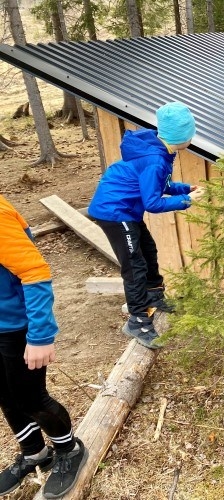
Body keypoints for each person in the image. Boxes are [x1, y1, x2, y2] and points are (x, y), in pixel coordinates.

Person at [88, 102, 205, 349]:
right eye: (191, 133)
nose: (192, 137)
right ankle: (137, 320)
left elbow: (159, 185)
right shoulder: (155, 159)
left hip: (127, 209)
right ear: (180, 136)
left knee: (148, 250)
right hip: (114, 211)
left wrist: (185, 188)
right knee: (134, 264)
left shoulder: (161, 151)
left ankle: (154, 294)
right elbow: (152, 202)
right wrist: (186, 201)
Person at [0, 195, 88, 498]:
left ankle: (69, 450)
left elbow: (35, 273)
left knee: (31, 399)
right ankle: (34, 453)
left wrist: (40, 336)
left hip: (17, 328)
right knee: (7, 397)